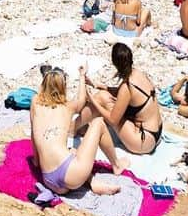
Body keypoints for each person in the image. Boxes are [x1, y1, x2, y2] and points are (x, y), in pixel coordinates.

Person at [30, 64, 121, 194]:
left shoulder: (35, 102)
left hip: (49, 181)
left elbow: (34, 135)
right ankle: (117, 165)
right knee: (98, 123)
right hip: (72, 177)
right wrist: (82, 76)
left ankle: (92, 182)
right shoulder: (68, 107)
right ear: (63, 87)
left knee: (71, 151)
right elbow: (81, 100)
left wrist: (37, 161)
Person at [87, 43, 162, 152]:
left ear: (114, 63)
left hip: (143, 140)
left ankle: (74, 128)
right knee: (104, 96)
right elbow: (122, 94)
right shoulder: (138, 74)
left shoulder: (127, 86)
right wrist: (98, 85)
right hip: (156, 131)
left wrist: (93, 100)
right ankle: (79, 127)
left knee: (102, 99)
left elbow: (113, 121)